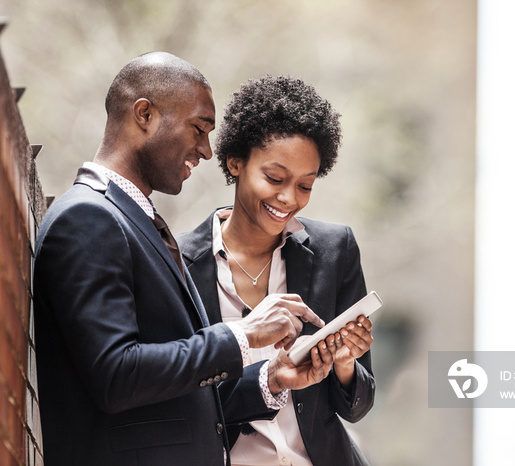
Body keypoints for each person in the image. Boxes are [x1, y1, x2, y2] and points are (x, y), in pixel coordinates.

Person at [32, 52, 343, 465]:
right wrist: (244, 335)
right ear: (144, 114)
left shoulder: (135, 221)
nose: (206, 151)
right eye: (198, 129)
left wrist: (270, 377)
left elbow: (175, 403)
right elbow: (117, 375)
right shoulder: (88, 218)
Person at [178, 75, 376, 465]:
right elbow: (186, 408)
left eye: (305, 185)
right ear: (235, 162)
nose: (289, 199)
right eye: (274, 178)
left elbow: (356, 408)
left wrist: (345, 362)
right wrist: (268, 379)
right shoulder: (178, 263)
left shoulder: (335, 251)